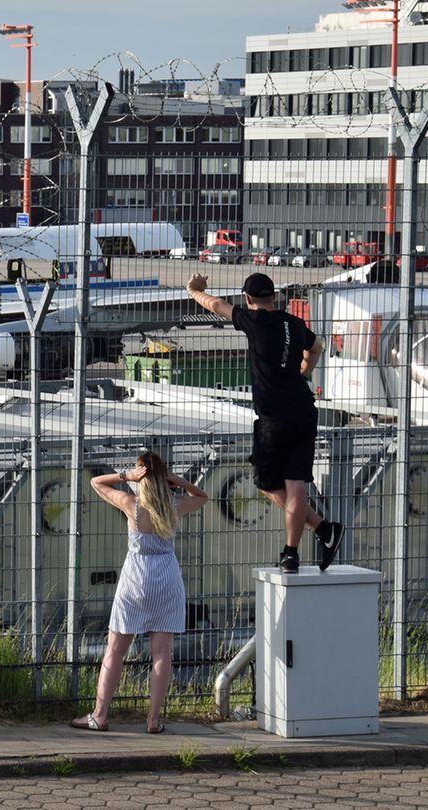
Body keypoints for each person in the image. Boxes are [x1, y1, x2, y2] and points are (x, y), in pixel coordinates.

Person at [185, 271, 344, 574]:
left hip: (274, 418)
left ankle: (322, 528)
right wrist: (302, 370)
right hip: (304, 410)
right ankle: (292, 553)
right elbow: (318, 347)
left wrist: (194, 291)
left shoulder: (254, 321)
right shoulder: (294, 323)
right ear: (274, 296)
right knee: (296, 485)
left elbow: (216, 304)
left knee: (268, 484)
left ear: (248, 299)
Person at [70, 452, 209, 734]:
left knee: (115, 650)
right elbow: (203, 497)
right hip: (167, 580)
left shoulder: (131, 504)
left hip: (136, 578)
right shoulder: (175, 505)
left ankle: (100, 715)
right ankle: (153, 720)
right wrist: (180, 481)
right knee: (161, 653)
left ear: (141, 475)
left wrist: (125, 477)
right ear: (164, 478)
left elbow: (96, 483)